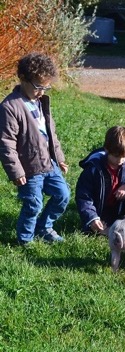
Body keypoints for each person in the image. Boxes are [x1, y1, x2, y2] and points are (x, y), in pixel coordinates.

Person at [0, 52, 70, 245]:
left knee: (63, 195)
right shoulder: (10, 107)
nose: (42, 91)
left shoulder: (41, 102)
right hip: (29, 168)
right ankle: (25, 240)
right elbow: (6, 143)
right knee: (33, 204)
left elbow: (50, 133)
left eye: (46, 87)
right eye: (38, 86)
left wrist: (59, 157)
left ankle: (44, 227)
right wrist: (16, 171)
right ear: (23, 78)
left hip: (49, 163)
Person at [75, 126, 125, 234]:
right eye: (115, 156)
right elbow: (84, 196)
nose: (120, 160)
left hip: (122, 209)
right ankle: (102, 228)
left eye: (124, 156)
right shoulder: (94, 168)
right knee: (100, 230)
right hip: (101, 211)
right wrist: (92, 218)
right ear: (106, 149)